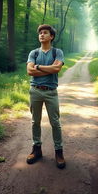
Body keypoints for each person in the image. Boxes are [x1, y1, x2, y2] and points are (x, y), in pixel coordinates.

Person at [26, 24, 66, 169]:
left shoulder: (57, 52)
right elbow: (30, 72)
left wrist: (37, 67)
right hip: (35, 91)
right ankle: (36, 150)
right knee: (35, 121)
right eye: (40, 33)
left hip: (51, 92)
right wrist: (48, 69)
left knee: (55, 122)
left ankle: (59, 152)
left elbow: (57, 68)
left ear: (52, 36)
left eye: (45, 33)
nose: (42, 35)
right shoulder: (34, 53)